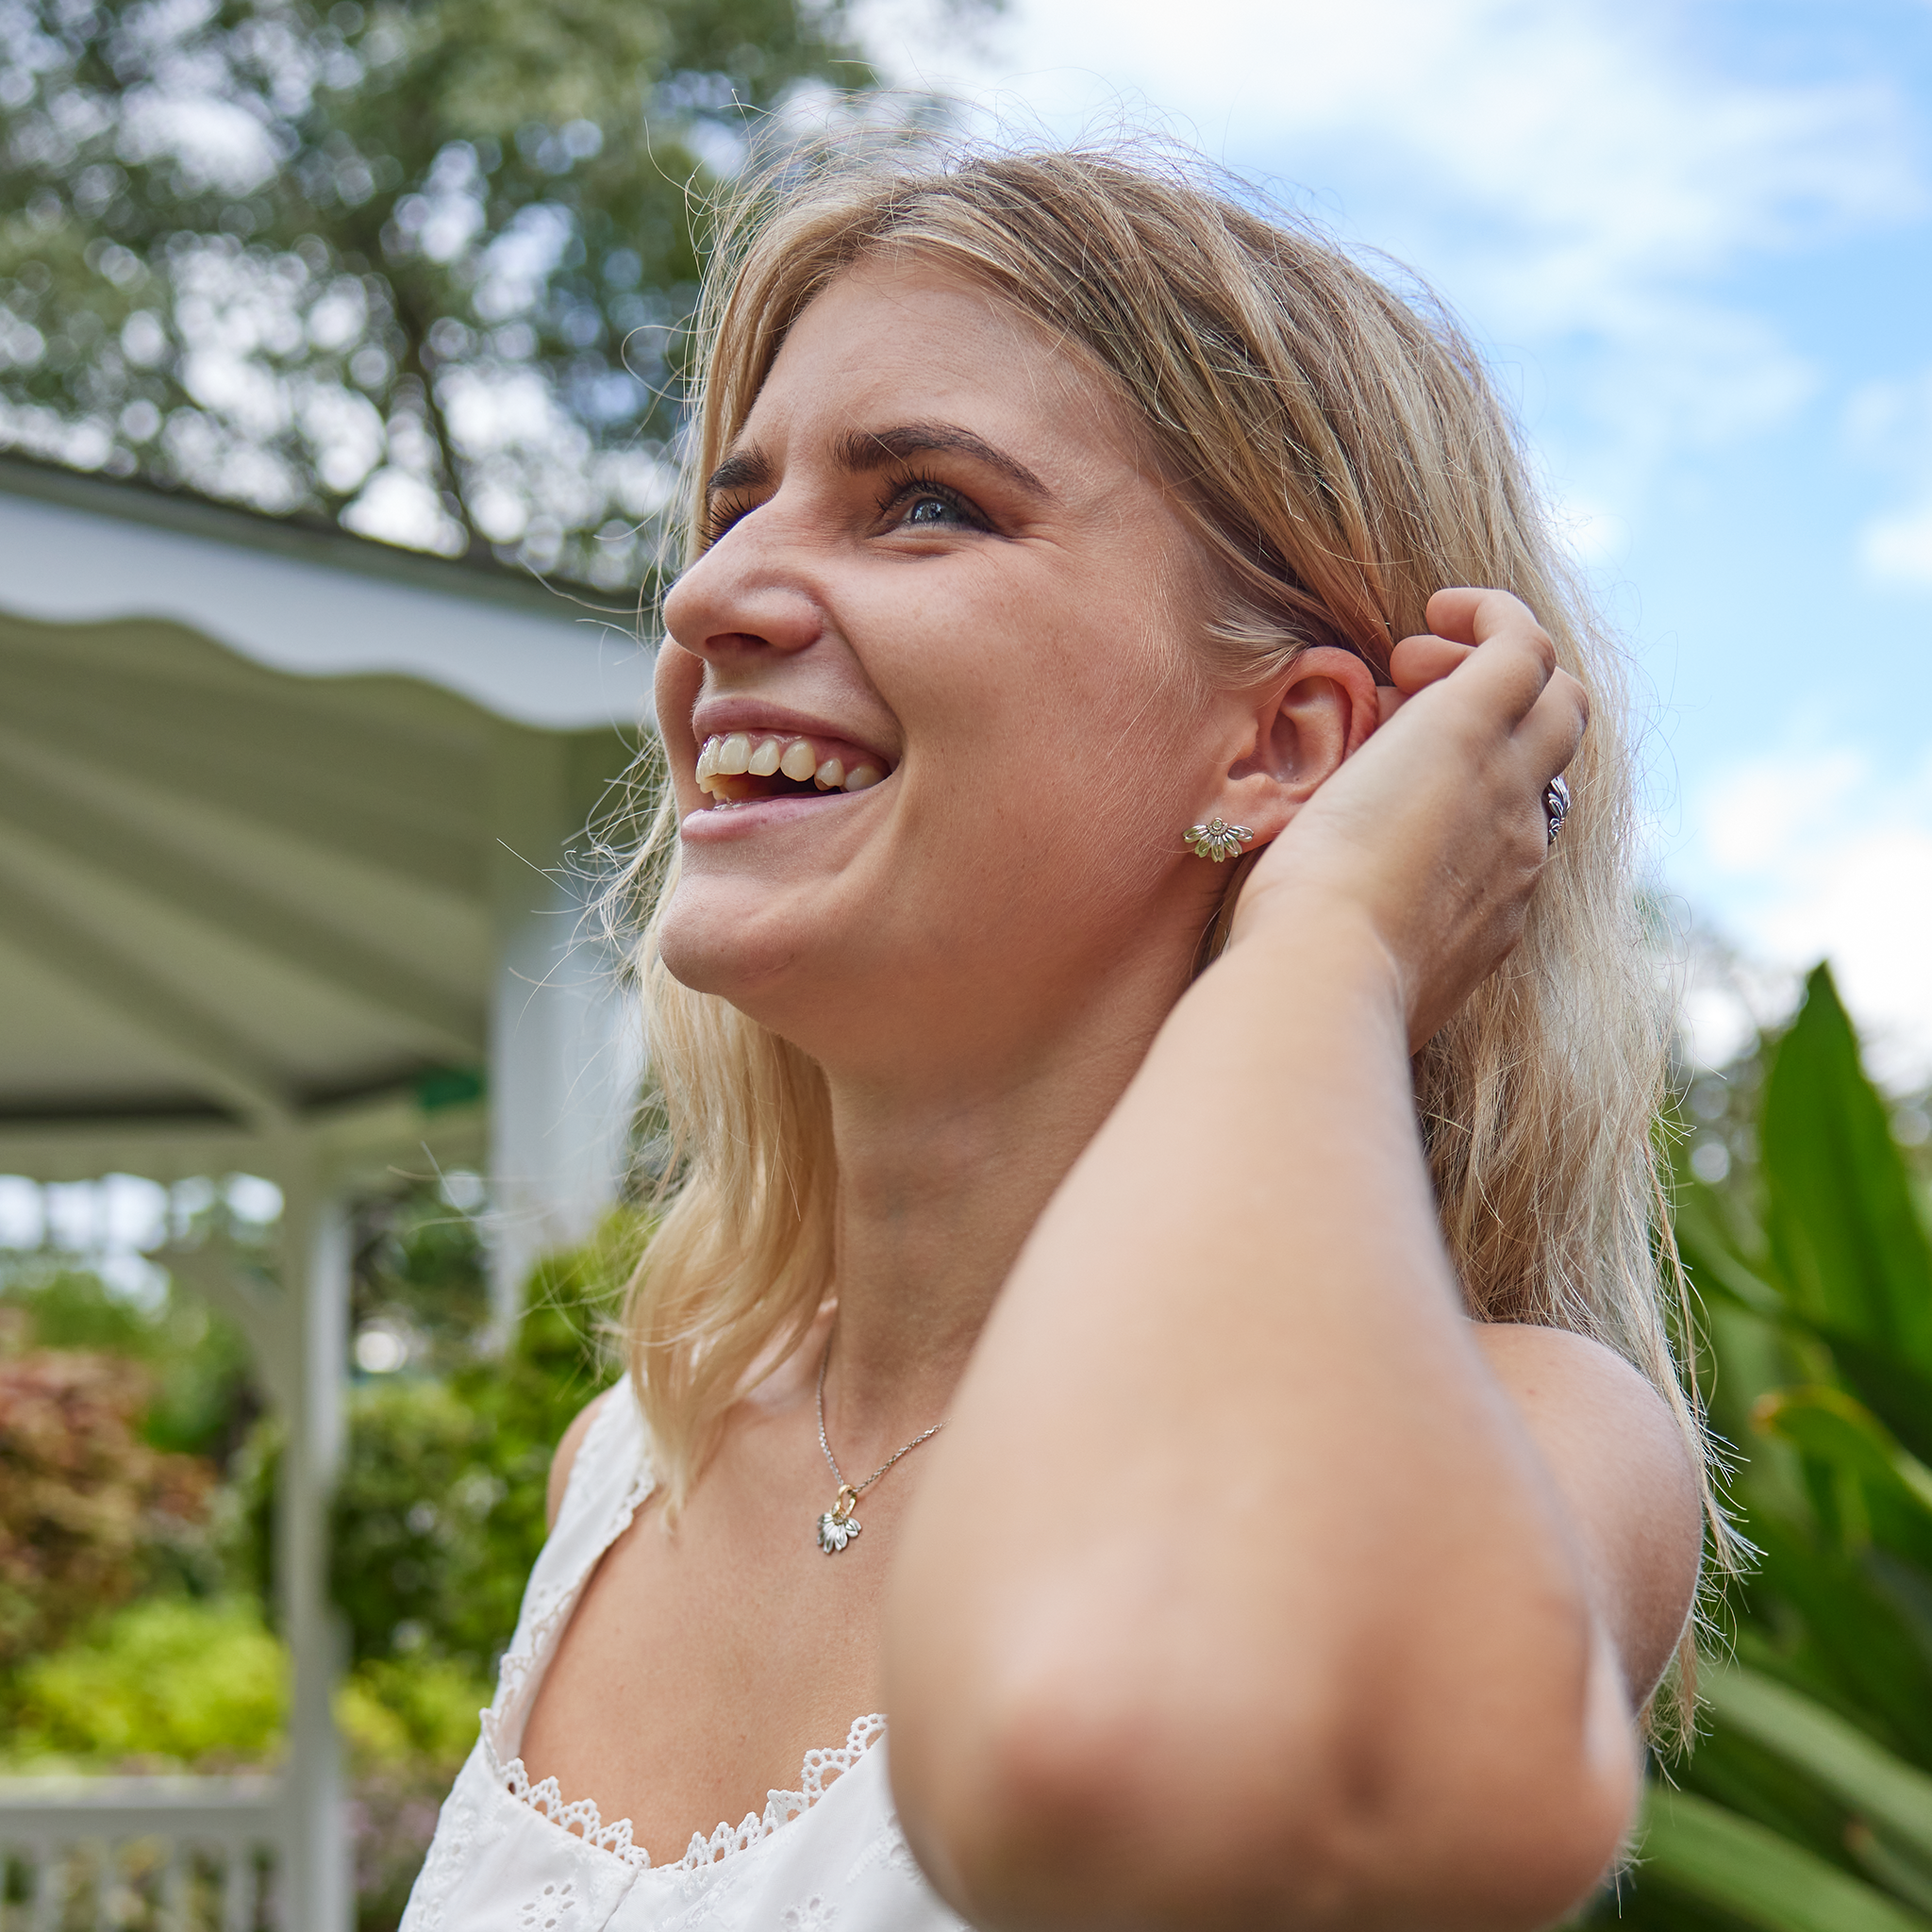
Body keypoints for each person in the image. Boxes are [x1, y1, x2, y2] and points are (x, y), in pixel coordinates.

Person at [400, 139, 1709, 1932]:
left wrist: (1327, 943)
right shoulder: (632, 1459)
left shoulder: (1536, 1440)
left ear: (1289, 752)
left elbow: (1102, 1767)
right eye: (733, 510)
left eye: (923, 502)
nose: (708, 604)